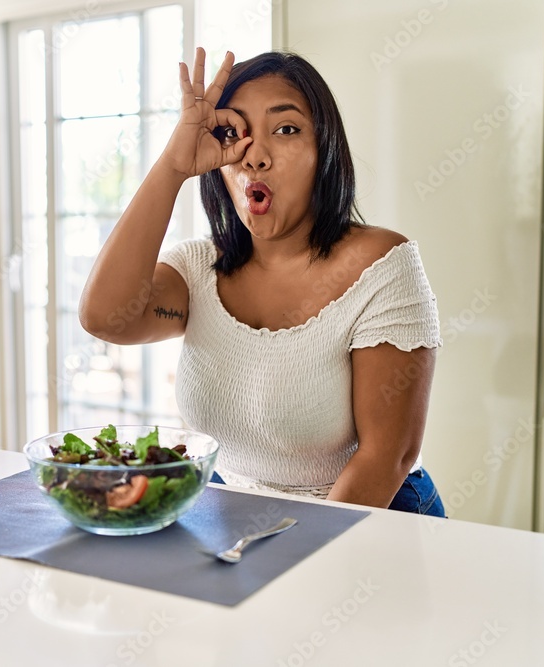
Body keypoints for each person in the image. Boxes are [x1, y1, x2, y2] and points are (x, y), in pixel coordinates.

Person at [79, 48, 445, 516]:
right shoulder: (197, 268)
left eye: (286, 129)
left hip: (374, 518)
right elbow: (104, 318)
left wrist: (294, 569)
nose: (256, 155)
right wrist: (173, 165)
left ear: (324, 150)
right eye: (236, 133)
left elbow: (386, 457)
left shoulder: (381, 265)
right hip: (244, 516)